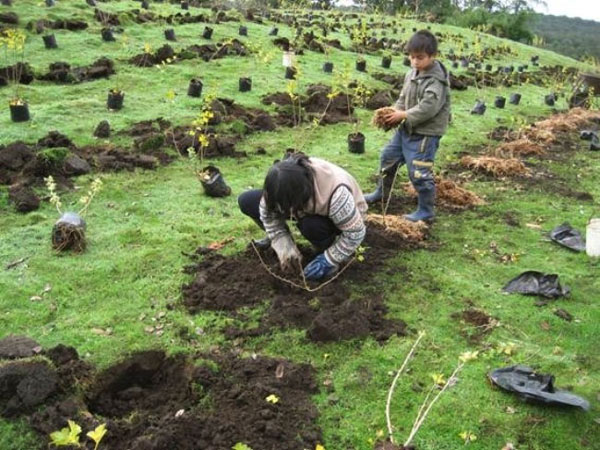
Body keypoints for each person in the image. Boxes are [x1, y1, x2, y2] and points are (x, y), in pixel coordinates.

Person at [365, 29, 451, 222]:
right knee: (388, 158)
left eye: (420, 58)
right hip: (406, 129)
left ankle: (426, 210)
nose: (415, 62)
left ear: (432, 56)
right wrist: (393, 111)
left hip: (425, 135)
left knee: (419, 172)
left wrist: (403, 115)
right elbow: (403, 98)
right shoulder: (411, 74)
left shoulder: (437, 82)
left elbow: (428, 108)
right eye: (412, 57)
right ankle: (381, 192)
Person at [238, 153, 367, 281]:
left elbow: (355, 233)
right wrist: (281, 242)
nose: (283, 210)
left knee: (312, 225)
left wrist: (329, 259)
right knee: (247, 201)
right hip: (300, 204)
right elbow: (267, 214)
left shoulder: (337, 195)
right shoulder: (278, 185)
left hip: (344, 217)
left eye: (286, 206)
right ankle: (275, 238)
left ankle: (325, 248)